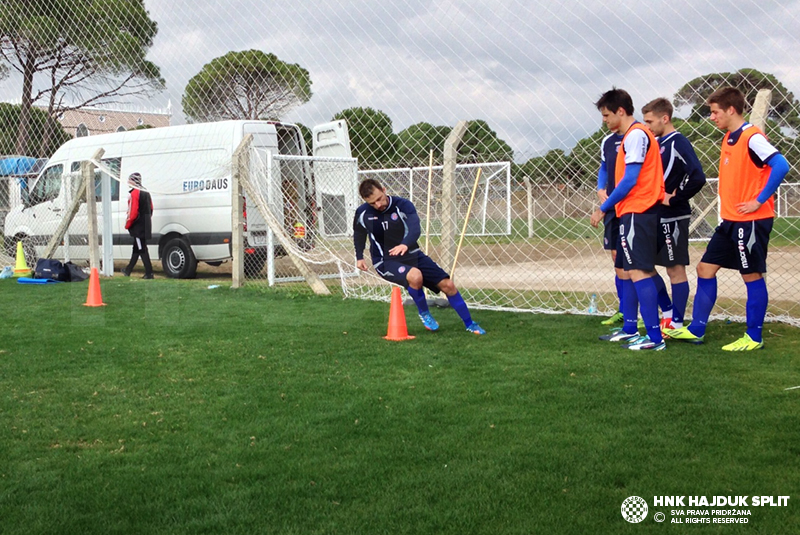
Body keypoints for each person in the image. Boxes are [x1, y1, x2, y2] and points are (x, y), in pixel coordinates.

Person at [666, 87, 791, 350]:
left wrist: (759, 199)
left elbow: (781, 165)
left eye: (715, 112)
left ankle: (754, 337)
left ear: (731, 110)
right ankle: (697, 329)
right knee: (705, 269)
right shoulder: (728, 138)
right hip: (730, 220)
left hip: (752, 220)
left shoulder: (750, 136)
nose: (712, 117)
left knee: (751, 275)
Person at [353, 178, 485, 335]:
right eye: (372, 203)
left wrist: (404, 244)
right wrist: (359, 256)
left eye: (379, 199)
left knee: (448, 285)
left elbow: (415, 229)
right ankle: (425, 314)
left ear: (384, 189)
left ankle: (470, 324)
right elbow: (359, 234)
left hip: (412, 254)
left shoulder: (403, 205)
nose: (378, 205)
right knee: (415, 276)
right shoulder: (362, 213)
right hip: (385, 261)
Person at [590, 88, 666, 351]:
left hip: (639, 210)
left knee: (639, 271)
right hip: (629, 211)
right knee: (627, 270)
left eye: (607, 115)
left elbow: (630, 180)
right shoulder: (628, 137)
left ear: (621, 111)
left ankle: (655, 338)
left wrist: (604, 207)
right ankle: (630, 329)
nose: (605, 120)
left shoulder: (635, 135)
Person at [642, 97, 707, 332]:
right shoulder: (656, 143)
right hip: (653, 214)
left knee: (674, 269)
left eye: (650, 121)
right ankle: (667, 312)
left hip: (673, 216)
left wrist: (676, 197)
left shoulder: (678, 142)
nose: (647, 126)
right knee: (644, 266)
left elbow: (697, 176)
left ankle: (677, 322)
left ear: (665, 118)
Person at [596, 130, 626, 326]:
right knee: (617, 260)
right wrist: (600, 188)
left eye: (607, 115)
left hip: (633, 208)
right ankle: (624, 310)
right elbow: (604, 167)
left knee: (636, 265)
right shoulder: (607, 141)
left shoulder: (639, 135)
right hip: (613, 208)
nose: (605, 120)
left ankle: (658, 311)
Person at [122, 172, 154, 279]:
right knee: (137, 248)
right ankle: (128, 270)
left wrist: (128, 224)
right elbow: (151, 208)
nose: (128, 182)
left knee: (142, 249)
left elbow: (133, 212)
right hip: (146, 223)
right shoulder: (146, 192)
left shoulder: (135, 193)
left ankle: (149, 272)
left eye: (129, 180)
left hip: (138, 226)